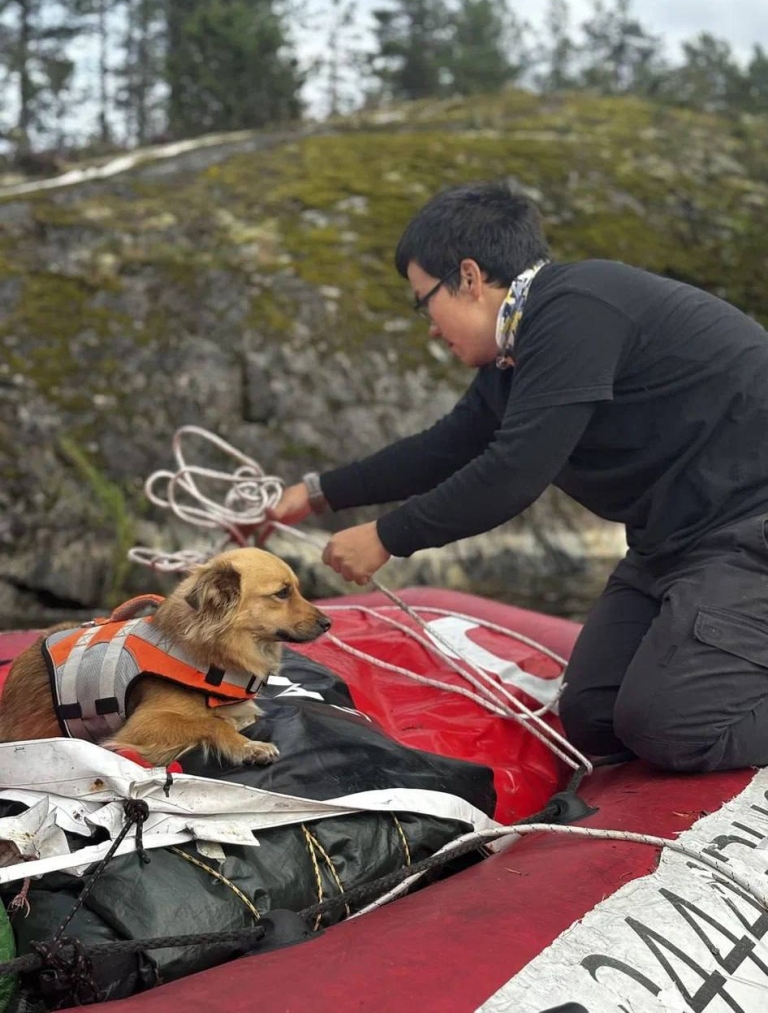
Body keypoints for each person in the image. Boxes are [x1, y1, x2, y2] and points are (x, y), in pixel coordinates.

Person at [266, 180, 768, 775]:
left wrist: (386, 537)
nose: (430, 326)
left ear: (470, 278)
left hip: (747, 530)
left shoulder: (578, 309)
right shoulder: (518, 355)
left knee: (674, 727)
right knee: (594, 716)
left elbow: (514, 472)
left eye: (424, 301)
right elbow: (442, 449)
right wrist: (315, 494)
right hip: (672, 543)